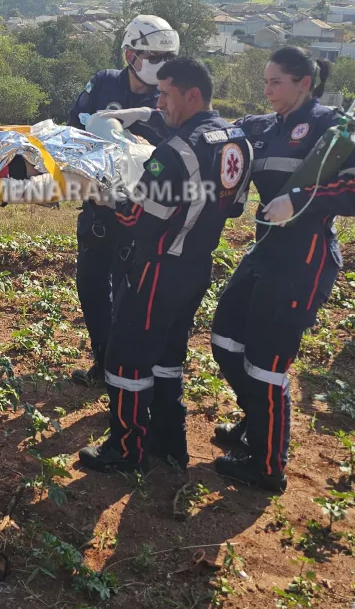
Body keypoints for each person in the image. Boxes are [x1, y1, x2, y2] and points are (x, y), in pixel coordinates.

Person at [211, 47, 355, 492]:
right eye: (265, 82)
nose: (266, 91)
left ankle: (267, 465)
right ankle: (257, 422)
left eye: (276, 82)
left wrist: (303, 199)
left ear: (304, 83)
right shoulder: (261, 128)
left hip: (304, 259)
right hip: (264, 249)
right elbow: (215, 135)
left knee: (267, 364)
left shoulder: (332, 128)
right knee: (225, 338)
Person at [78, 58, 253, 473]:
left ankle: (126, 448)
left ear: (192, 95)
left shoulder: (175, 154)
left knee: (125, 358)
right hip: (196, 266)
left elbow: (137, 219)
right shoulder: (237, 140)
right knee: (168, 356)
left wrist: (108, 195)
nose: (159, 103)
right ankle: (169, 440)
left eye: (166, 94)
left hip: (158, 267)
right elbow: (236, 208)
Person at [67, 15, 176, 386]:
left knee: (128, 297)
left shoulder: (168, 94)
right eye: (153, 56)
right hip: (99, 206)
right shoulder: (103, 83)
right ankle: (103, 360)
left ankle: (127, 371)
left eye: (167, 57)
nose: (161, 65)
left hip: (142, 212)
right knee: (92, 287)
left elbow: (179, 139)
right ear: (130, 54)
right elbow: (75, 128)